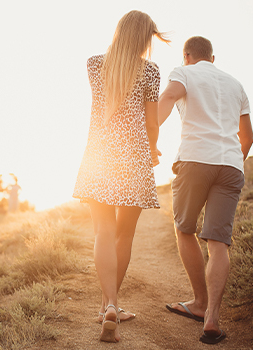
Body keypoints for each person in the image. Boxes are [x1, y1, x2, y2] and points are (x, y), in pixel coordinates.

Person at [72, 10, 168, 343]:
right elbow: (152, 124)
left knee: (102, 231)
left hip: (99, 156)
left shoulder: (93, 64)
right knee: (123, 236)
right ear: (145, 37)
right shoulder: (151, 71)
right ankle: (111, 304)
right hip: (134, 159)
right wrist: (153, 150)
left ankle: (107, 305)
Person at [158, 36, 253, 345]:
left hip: (195, 159)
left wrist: (150, 137)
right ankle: (212, 317)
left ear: (187, 56)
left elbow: (168, 97)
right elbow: (247, 138)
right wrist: (229, 161)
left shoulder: (184, 72)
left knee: (184, 229)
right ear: (213, 58)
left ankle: (199, 303)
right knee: (218, 243)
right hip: (231, 164)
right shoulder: (236, 84)